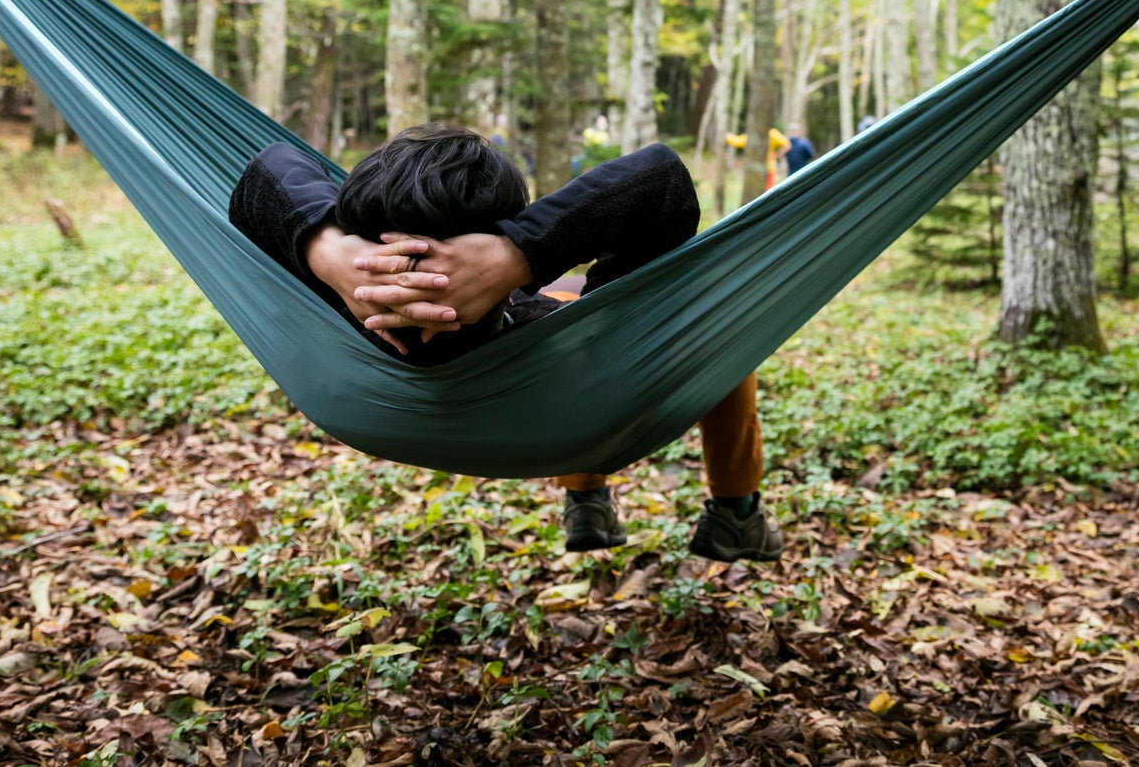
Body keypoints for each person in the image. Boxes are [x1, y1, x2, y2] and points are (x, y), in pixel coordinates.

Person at [227, 123, 783, 562]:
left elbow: (270, 167)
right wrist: (519, 251)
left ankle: (589, 503)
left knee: (569, 299)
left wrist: (330, 253)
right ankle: (734, 511)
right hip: (569, 391)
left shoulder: (333, 300)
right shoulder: (563, 343)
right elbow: (659, 177)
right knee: (721, 335)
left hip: (425, 387)